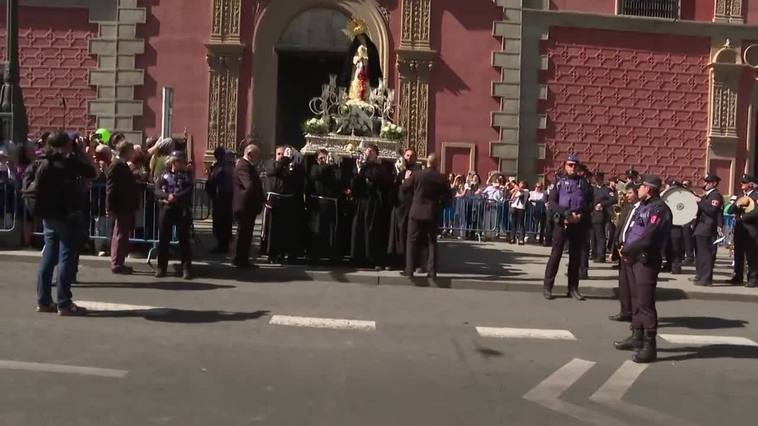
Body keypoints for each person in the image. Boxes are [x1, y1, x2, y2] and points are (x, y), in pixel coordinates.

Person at [32, 132, 96, 315]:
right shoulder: (69, 162)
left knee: (48, 256)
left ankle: (43, 301)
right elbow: (93, 172)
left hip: (48, 215)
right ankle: (64, 302)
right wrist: (84, 152)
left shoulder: (40, 161)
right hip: (67, 215)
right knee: (66, 257)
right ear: (65, 145)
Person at [613, 175, 672, 363]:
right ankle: (636, 336)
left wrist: (628, 249)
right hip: (632, 258)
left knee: (645, 303)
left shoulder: (660, 209)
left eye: (641, 187)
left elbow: (648, 237)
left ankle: (650, 345)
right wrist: (623, 248)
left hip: (646, 260)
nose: (638, 190)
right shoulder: (644, 207)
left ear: (649, 189)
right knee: (636, 299)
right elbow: (632, 229)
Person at [543, 154, 593, 301]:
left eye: (575, 165)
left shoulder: (583, 183)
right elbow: (552, 202)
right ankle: (548, 287)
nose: (572, 167)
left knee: (575, 258)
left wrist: (581, 216)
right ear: (565, 166)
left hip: (577, 223)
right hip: (562, 223)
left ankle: (573, 289)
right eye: (570, 165)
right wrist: (565, 213)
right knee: (555, 255)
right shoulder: (558, 182)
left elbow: (590, 202)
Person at [402, 153, 451, 278]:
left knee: (412, 241)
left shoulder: (418, 174)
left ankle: (409, 269)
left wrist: (406, 180)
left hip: (416, 211)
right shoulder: (441, 178)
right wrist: (439, 205)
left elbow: (405, 187)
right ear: (437, 164)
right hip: (432, 212)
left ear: (427, 163)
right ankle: (432, 270)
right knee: (432, 242)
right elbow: (448, 196)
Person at [260, 145, 305, 263]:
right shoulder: (271, 164)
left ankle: (284, 253)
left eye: (283, 154)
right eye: (279, 154)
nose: (281, 156)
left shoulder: (290, 167)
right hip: (274, 202)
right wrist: (285, 159)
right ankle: (272, 254)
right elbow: (275, 171)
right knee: (273, 231)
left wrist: (294, 163)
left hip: (287, 202)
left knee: (285, 231)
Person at [351, 144, 393, 269]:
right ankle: (359, 258)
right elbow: (354, 184)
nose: (368, 153)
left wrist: (367, 172)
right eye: (366, 150)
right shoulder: (360, 166)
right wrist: (359, 170)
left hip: (374, 202)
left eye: (371, 151)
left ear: (376, 154)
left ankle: (373, 258)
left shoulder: (381, 167)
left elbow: (381, 180)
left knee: (372, 230)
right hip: (362, 202)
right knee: (360, 229)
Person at [154, 151, 194, 280]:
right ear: (173, 162)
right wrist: (167, 196)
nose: (182, 164)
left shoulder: (187, 176)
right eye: (180, 161)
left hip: (181, 209)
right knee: (164, 240)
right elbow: (157, 190)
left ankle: (186, 269)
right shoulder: (164, 175)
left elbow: (188, 189)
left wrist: (176, 197)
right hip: (166, 208)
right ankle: (161, 268)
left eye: (183, 161)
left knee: (184, 240)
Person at [106, 141, 139, 275]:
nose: (134, 153)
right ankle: (117, 263)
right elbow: (111, 188)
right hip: (120, 206)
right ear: (126, 151)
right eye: (132, 150)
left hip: (125, 205)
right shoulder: (117, 165)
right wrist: (109, 207)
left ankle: (119, 261)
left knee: (122, 234)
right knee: (119, 234)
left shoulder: (122, 165)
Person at [609, 183, 639, 322]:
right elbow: (620, 228)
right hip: (622, 250)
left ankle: (635, 314)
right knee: (623, 284)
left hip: (632, 251)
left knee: (633, 285)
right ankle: (625, 311)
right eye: (626, 193)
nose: (627, 196)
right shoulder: (627, 207)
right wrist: (615, 249)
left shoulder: (641, 209)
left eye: (630, 193)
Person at [306, 149, 342, 262]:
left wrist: (333, 166)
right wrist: (327, 165)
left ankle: (330, 254)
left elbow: (339, 179)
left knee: (330, 229)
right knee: (317, 229)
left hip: (330, 203)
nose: (324, 160)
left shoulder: (333, 169)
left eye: (325, 157)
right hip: (319, 203)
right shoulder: (314, 168)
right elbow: (317, 175)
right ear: (317, 159)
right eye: (321, 158)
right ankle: (315, 255)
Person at [232, 144, 264, 268]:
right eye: (257, 155)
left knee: (246, 233)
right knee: (243, 233)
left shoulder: (246, 166)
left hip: (247, 206)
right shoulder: (243, 166)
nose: (258, 158)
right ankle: (239, 259)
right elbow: (249, 186)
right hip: (245, 205)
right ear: (250, 154)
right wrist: (259, 197)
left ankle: (242, 258)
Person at [387, 148, 419, 268]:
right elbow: (392, 184)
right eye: (407, 155)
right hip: (397, 204)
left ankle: (406, 262)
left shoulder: (416, 171)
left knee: (406, 234)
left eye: (411, 156)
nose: (408, 158)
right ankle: (393, 261)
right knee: (394, 234)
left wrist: (406, 179)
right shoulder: (397, 169)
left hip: (408, 206)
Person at [690, 173, 723, 286]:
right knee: (700, 254)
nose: (705, 184)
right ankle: (700, 275)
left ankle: (706, 278)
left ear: (713, 183)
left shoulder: (716, 195)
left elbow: (712, 211)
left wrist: (700, 201)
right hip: (701, 228)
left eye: (707, 182)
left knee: (706, 255)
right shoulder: (707, 196)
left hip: (708, 228)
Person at [727, 175, 758, 286]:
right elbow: (730, 210)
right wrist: (736, 204)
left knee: (752, 255)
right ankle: (738, 276)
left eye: (744, 183)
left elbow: (756, 212)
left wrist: (742, 218)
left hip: (751, 229)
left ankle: (753, 279)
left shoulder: (756, 196)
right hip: (740, 229)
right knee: (738, 254)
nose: (741, 184)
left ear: (751, 184)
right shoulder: (740, 196)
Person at [206, 146, 234, 254]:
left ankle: (222, 245)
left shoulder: (220, 167)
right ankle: (224, 244)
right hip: (226, 197)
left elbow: (212, 182)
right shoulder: (229, 166)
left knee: (220, 223)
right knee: (225, 222)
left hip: (221, 197)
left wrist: (212, 193)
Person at [590, 171, 616, 263]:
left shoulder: (606, 189)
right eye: (596, 178)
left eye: (599, 178)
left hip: (600, 215)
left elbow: (614, 199)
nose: (597, 180)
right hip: (592, 214)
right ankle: (594, 253)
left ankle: (601, 256)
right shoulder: (593, 189)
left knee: (600, 236)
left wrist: (602, 204)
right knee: (592, 236)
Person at [681, 178, 696, 265]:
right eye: (683, 184)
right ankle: (682, 256)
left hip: (689, 220)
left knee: (688, 240)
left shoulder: (692, 195)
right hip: (680, 219)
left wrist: (693, 220)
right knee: (681, 240)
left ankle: (690, 256)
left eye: (686, 185)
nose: (684, 186)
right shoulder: (680, 194)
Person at [509, 180, 528, 245]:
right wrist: (514, 190)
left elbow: (520, 190)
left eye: (523, 184)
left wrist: (514, 184)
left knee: (521, 224)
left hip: (521, 208)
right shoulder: (516, 190)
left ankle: (521, 239)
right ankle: (512, 238)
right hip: (514, 206)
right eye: (520, 183)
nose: (521, 185)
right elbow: (511, 197)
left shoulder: (526, 190)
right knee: (513, 224)